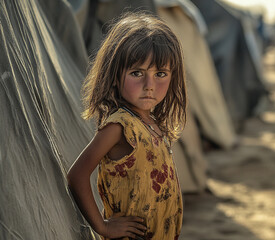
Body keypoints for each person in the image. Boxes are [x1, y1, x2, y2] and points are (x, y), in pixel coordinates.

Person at [67, 11, 187, 240]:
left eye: (160, 73)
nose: (149, 85)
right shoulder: (120, 126)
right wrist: (102, 226)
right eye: (136, 73)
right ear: (114, 75)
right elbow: (77, 175)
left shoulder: (154, 123)